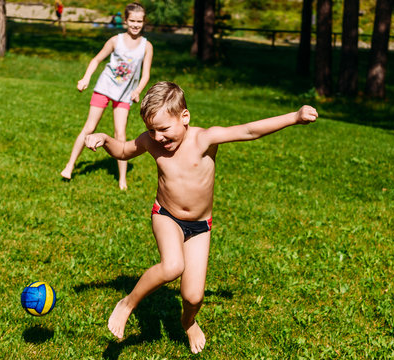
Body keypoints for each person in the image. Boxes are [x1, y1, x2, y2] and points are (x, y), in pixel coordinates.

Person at [84, 81, 318, 353]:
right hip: (166, 215)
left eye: (163, 129)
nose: (157, 137)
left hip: (199, 226)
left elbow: (250, 130)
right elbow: (124, 150)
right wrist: (104, 139)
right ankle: (127, 304)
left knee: (193, 296)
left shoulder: (204, 139)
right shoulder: (150, 141)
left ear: (185, 118)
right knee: (172, 266)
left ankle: (188, 322)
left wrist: (294, 117)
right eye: (151, 130)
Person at [61, 2, 153, 190]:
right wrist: (86, 78)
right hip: (104, 88)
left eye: (139, 21)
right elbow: (96, 59)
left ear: (144, 22)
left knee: (121, 134)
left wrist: (138, 91)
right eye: (132, 21)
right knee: (90, 126)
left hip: (124, 94)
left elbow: (146, 75)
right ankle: (70, 166)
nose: (136, 25)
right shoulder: (115, 40)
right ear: (125, 21)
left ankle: (122, 180)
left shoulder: (146, 46)